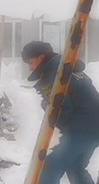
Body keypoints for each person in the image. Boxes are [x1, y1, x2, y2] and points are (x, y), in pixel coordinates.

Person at [21, 41, 99, 184]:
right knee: (75, 167)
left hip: (81, 129)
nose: (31, 67)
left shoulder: (54, 75)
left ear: (42, 57)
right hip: (94, 128)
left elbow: (62, 113)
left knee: (48, 169)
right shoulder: (67, 66)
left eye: (31, 62)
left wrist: (47, 106)